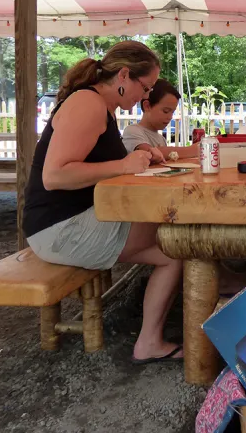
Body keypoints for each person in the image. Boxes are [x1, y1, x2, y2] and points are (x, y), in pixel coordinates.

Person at [22, 41, 184, 364]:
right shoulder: (88, 104)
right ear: (124, 74)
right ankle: (149, 342)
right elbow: (55, 175)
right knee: (178, 243)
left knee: (178, 243)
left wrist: (135, 156)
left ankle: (152, 338)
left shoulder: (103, 109)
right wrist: (123, 165)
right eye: (146, 87)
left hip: (72, 220)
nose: (146, 97)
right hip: (59, 228)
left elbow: (95, 163)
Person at [122, 78, 200, 162]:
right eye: (165, 111)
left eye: (172, 112)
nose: (170, 117)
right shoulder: (132, 131)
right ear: (147, 106)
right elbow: (150, 153)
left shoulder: (161, 139)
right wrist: (191, 150)